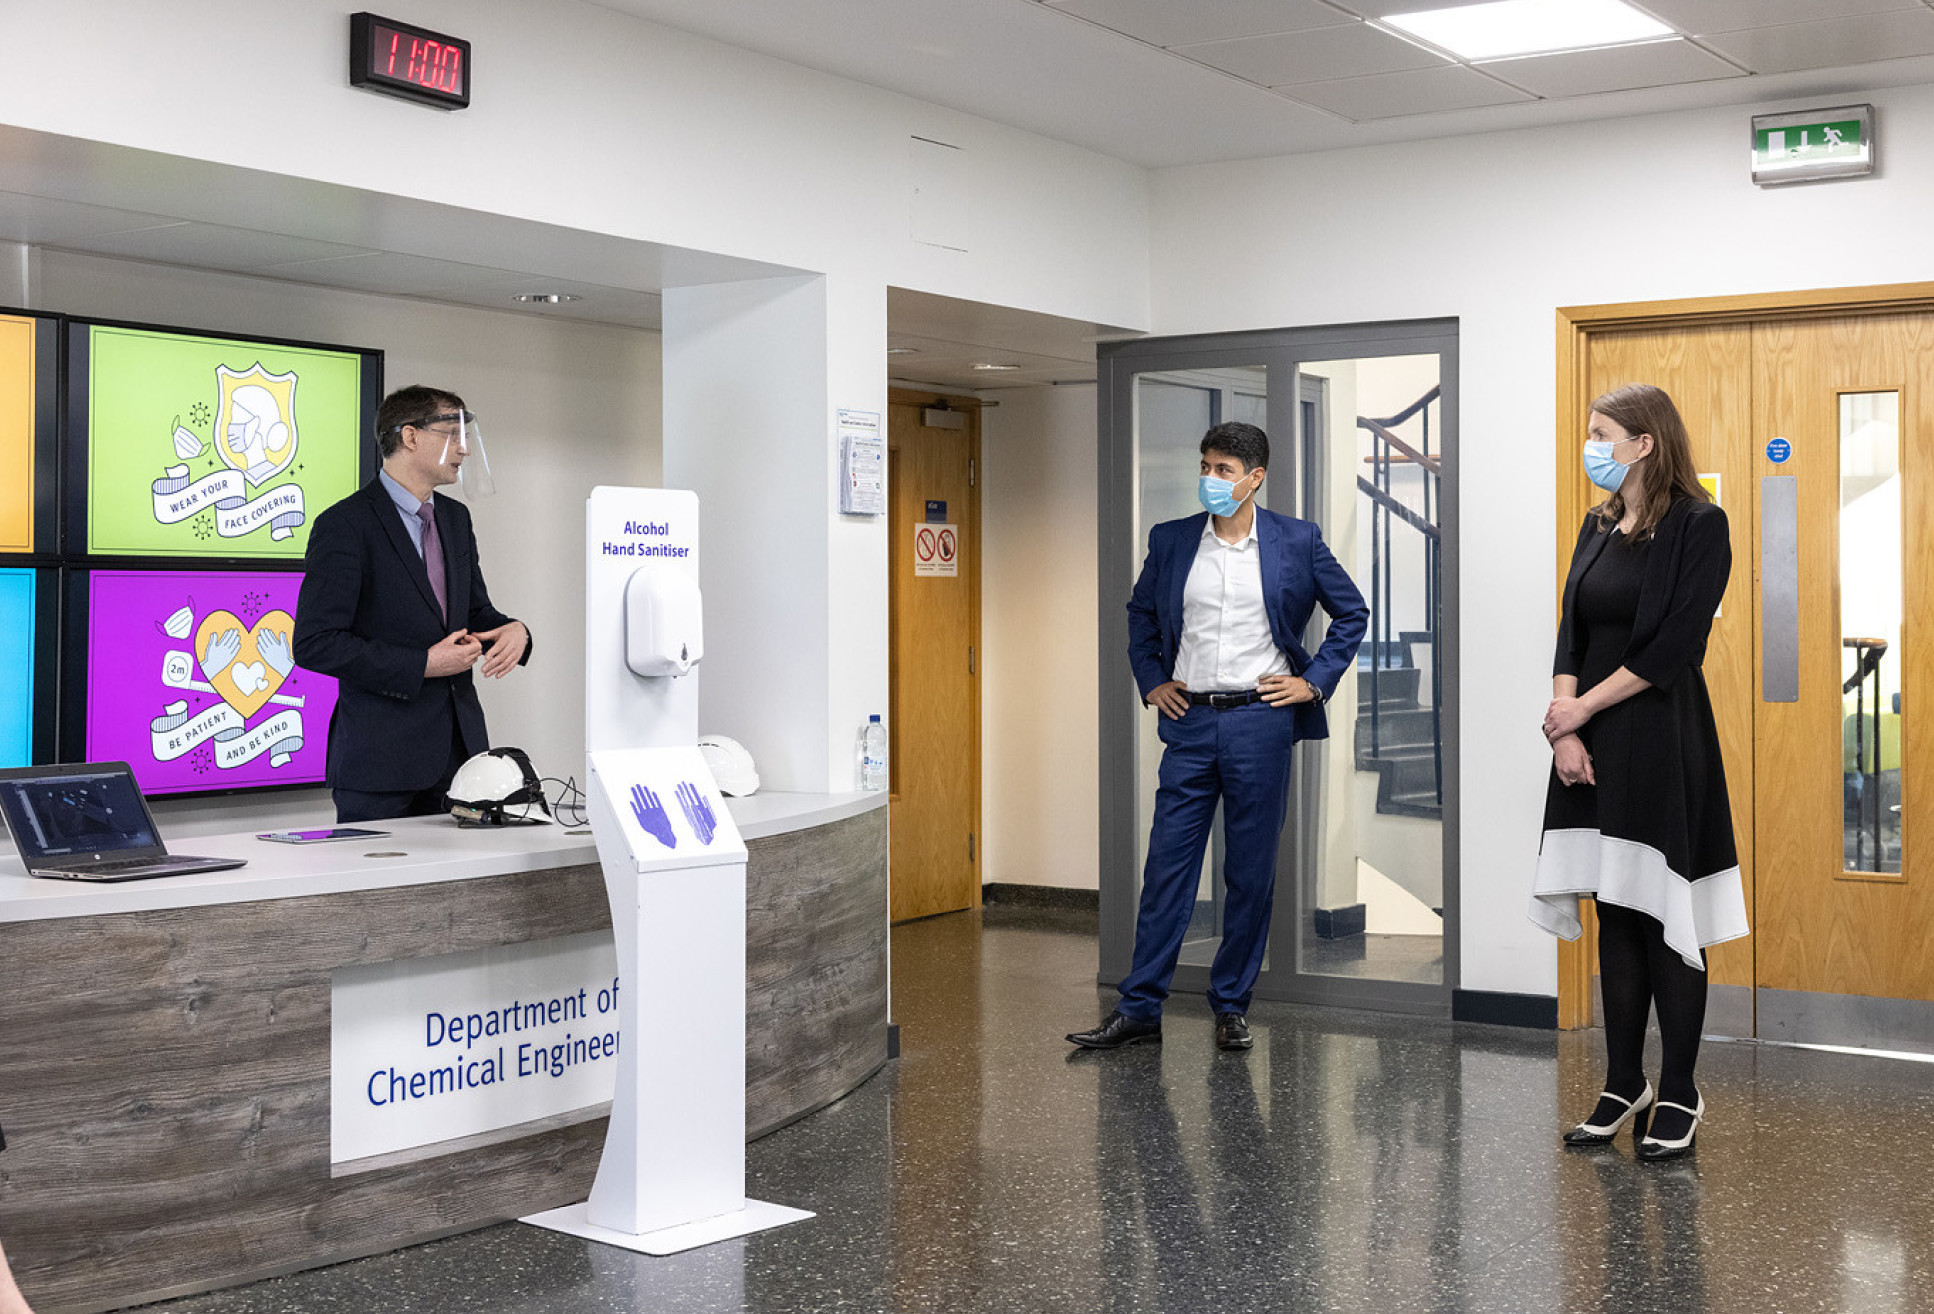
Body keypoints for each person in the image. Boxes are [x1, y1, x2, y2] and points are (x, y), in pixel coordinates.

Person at [1069, 421, 1367, 1053]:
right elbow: (1140, 613)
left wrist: (1313, 682)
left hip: (1261, 722)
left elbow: (1352, 612)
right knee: (1167, 868)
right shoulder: (1172, 539)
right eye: (1205, 466)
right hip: (1190, 722)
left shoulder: (1297, 541)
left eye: (1223, 470)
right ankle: (1140, 1008)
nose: (1209, 479)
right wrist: (1152, 679)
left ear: (1254, 478)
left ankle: (1231, 1004)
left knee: (1249, 874)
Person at [1530, 383, 1748, 1162]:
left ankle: (1680, 1089)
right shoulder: (1597, 525)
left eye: (1601, 434)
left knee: (1661, 911)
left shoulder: (1699, 524)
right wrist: (1565, 727)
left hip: (1659, 733)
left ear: (1644, 442)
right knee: (1614, 909)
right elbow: (1571, 630)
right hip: (1586, 740)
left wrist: (1580, 711)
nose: (1591, 446)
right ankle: (1624, 1082)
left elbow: (1674, 647)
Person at [294, 386, 531, 823]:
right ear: (409, 436)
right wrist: (422, 664)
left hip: (460, 762)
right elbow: (315, 643)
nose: (464, 449)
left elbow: (474, 615)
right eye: (452, 434)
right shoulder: (345, 524)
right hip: (379, 764)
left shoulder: (455, 519)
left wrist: (516, 630)